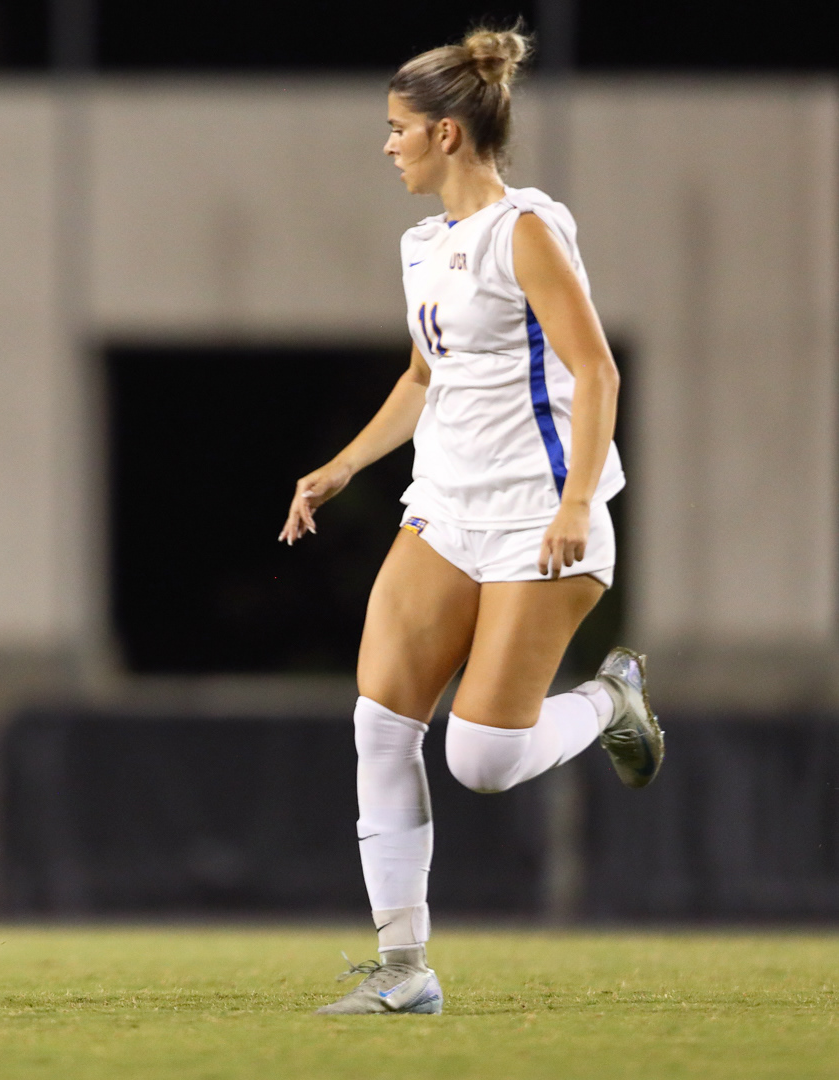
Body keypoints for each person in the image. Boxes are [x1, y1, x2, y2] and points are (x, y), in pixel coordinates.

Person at [278, 27, 663, 1015]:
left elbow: (597, 369)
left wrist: (578, 500)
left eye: (398, 128)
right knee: (379, 724)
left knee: (482, 761)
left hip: (541, 516)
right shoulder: (423, 246)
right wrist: (343, 467)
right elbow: (422, 377)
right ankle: (405, 971)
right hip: (443, 513)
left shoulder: (524, 228)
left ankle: (609, 704)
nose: (387, 144)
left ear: (448, 134)